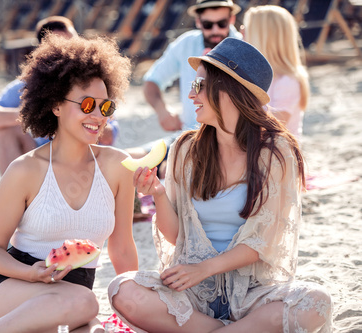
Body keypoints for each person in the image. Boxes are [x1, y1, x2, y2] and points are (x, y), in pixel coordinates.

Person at [108, 38, 332, 332]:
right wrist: (159, 194)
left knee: (316, 302)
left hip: (253, 291)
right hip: (194, 292)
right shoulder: (185, 149)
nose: (190, 95)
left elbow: (264, 241)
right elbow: (178, 236)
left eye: (198, 85)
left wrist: (205, 268)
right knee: (122, 289)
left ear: (229, 90)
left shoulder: (276, 152)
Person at [0, 34, 139, 332]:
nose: (97, 116)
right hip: (15, 289)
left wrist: (135, 301)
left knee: (96, 326)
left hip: (74, 299)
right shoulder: (25, 171)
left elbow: (122, 248)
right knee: (86, 302)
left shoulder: (118, 166)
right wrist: (31, 274)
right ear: (55, 105)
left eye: (106, 107)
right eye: (87, 104)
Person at [0, 16, 119, 174]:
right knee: (5, 132)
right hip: (44, 160)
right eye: (62, 47)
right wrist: (35, 114)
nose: (70, 52)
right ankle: (17, 192)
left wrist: (82, 117)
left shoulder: (95, 84)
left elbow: (109, 136)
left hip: (88, 161)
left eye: (73, 43)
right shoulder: (30, 85)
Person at [126, 0, 242, 170]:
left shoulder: (244, 47)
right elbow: (152, 81)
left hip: (228, 143)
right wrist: (162, 111)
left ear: (232, 20)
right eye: (208, 24)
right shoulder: (186, 44)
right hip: (187, 136)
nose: (216, 30)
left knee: (167, 171)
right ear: (198, 22)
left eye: (222, 23)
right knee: (122, 160)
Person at [242, 5, 310, 139]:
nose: (241, 32)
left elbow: (271, 130)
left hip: (276, 155)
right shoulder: (254, 73)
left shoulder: (287, 81)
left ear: (264, 37)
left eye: (247, 28)